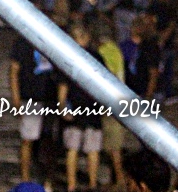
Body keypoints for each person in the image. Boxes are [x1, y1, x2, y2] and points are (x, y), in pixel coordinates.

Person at [57, 24, 103, 192]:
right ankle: (92, 184)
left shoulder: (67, 58)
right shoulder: (96, 57)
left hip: (74, 108)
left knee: (72, 149)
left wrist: (62, 107)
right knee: (92, 150)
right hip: (93, 109)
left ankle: (71, 185)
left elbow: (63, 87)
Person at [10, 30, 58, 188]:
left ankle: (48, 181)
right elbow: (14, 70)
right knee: (27, 140)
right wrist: (16, 99)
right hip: (30, 98)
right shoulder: (22, 43)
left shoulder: (53, 41)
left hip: (50, 98)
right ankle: (25, 180)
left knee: (48, 141)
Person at [95, 15, 127, 189]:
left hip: (112, 102)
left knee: (113, 146)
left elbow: (108, 75)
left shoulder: (106, 51)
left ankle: (120, 179)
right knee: (112, 144)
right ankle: (115, 178)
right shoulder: (115, 48)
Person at [121, 13, 160, 100]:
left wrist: (149, 95)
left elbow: (153, 72)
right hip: (128, 90)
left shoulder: (150, 47)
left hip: (143, 91)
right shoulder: (124, 46)